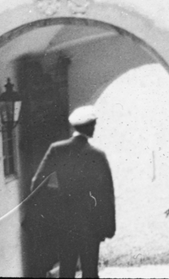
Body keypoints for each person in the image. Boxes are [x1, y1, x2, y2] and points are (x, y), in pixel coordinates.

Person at [28, 105, 116, 279]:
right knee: (90, 271)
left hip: (64, 222)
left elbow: (37, 184)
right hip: (91, 224)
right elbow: (106, 194)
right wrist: (108, 227)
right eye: (93, 125)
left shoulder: (56, 149)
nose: (94, 128)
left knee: (66, 270)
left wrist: (52, 207)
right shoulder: (97, 155)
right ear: (88, 127)